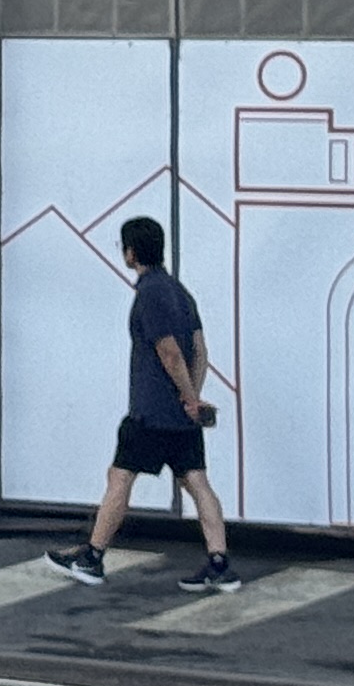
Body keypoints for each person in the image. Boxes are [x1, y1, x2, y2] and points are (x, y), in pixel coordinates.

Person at [46, 214, 237, 592]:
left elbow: (170, 353)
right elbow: (199, 350)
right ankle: (219, 563)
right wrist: (193, 401)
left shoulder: (149, 294)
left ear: (131, 253)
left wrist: (186, 396)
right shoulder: (181, 292)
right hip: (181, 419)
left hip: (150, 413)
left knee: (119, 478)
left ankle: (92, 557)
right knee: (198, 482)